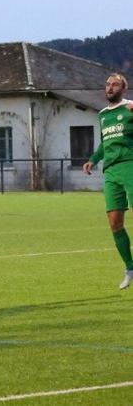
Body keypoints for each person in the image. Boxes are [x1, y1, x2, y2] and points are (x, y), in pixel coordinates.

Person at [84, 73, 133, 289]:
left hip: (130, 165)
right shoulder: (103, 115)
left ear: (124, 88)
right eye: (107, 84)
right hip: (111, 171)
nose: (110, 87)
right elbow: (105, 143)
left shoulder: (130, 108)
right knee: (114, 223)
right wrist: (93, 160)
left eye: (115, 84)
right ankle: (130, 268)